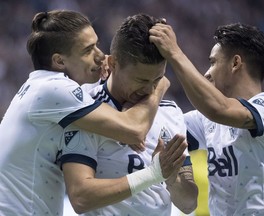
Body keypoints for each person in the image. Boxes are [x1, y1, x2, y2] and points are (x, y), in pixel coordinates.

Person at [0, 10, 169, 216]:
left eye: (97, 45)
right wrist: (158, 84)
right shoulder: (53, 88)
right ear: (59, 62)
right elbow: (134, 130)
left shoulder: (40, 86)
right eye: (89, 50)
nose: (101, 56)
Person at [60, 14, 198, 216]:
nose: (150, 89)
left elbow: (189, 204)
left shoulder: (170, 113)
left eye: (157, 79)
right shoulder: (86, 109)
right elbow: (81, 199)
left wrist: (170, 176)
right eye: (141, 80)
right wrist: (153, 174)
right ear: (113, 63)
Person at [150, 22, 264, 215]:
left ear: (235, 63)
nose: (207, 73)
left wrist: (175, 53)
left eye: (213, 62)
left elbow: (219, 108)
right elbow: (161, 127)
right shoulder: (206, 121)